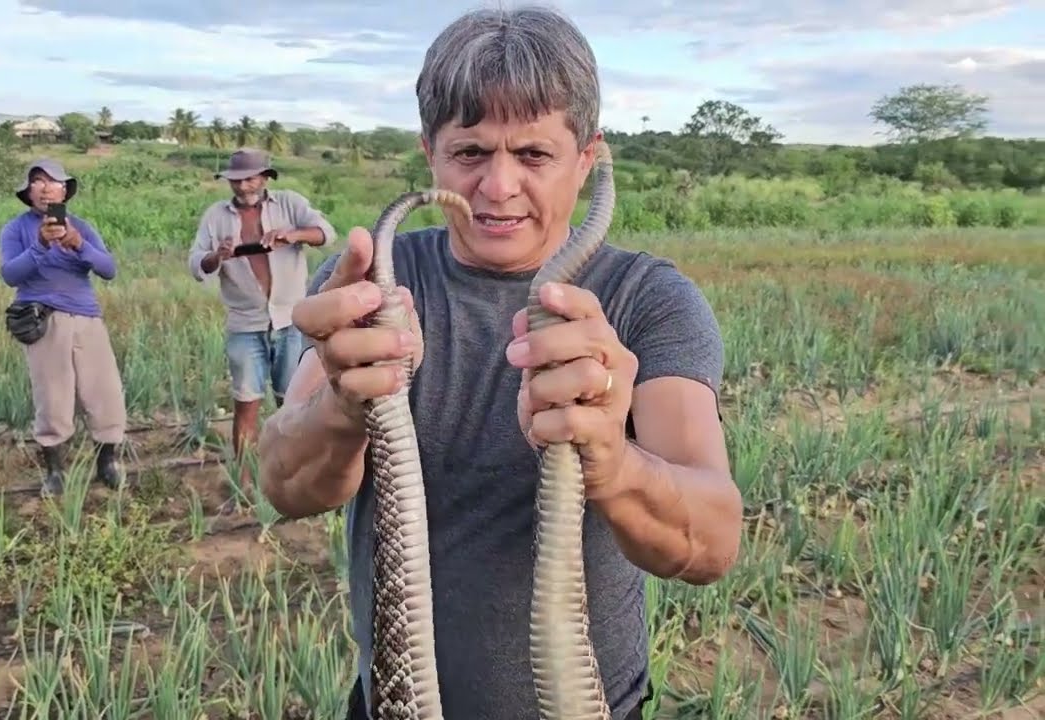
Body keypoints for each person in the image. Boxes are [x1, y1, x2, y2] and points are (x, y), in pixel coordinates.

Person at [256, 6, 744, 720]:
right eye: (472, 152)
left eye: (535, 155)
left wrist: (609, 453)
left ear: (585, 158)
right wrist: (341, 407)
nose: (499, 186)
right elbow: (286, 486)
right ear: (431, 152)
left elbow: (710, 544)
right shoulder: (380, 283)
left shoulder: (648, 300)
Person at [188, 147, 336, 501]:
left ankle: (295, 474)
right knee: (246, 403)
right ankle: (244, 482)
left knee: (296, 401)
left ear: (265, 178)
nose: (243, 186)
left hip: (289, 320)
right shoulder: (216, 216)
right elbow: (196, 263)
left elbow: (325, 233)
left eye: (250, 178)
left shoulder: (288, 204)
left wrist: (292, 236)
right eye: (236, 180)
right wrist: (216, 256)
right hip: (245, 324)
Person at [0, 158, 128, 498]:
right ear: (28, 192)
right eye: (37, 182)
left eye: (52, 182)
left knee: (104, 393)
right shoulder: (16, 229)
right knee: (53, 398)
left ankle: (107, 462)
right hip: (44, 319)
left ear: (64, 190)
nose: (44, 187)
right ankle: (55, 471)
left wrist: (77, 244)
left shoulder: (82, 226)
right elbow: (11, 274)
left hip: (87, 318)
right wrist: (40, 245)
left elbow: (109, 269)